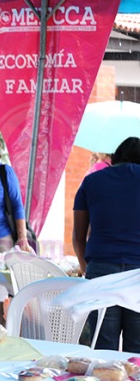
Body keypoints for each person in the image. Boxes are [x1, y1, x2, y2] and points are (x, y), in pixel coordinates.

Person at [73, 137, 140, 352]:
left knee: (103, 346)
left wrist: (86, 269)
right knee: (137, 349)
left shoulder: (92, 181)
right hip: (138, 274)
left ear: (115, 158)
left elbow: (78, 235)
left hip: (101, 269)